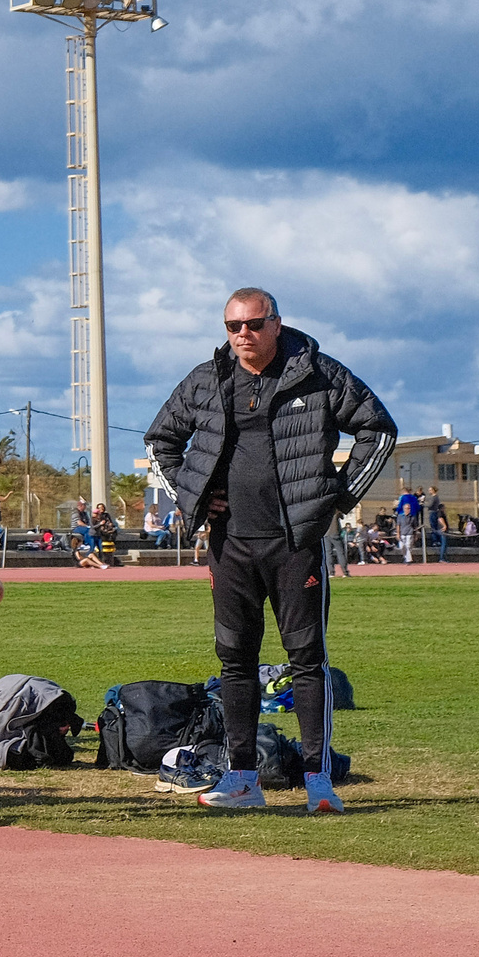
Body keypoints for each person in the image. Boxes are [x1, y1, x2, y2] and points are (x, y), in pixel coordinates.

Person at [145, 286, 395, 816]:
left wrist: (337, 498)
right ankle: (242, 779)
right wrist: (192, 498)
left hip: (296, 543)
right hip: (229, 544)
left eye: (254, 324)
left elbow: (379, 429)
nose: (243, 335)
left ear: (276, 323)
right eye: (233, 326)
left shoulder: (320, 373)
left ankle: (318, 781)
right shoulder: (207, 379)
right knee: (235, 661)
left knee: (308, 661)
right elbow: (159, 441)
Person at [426, 487, 448, 561]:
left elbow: (430, 505)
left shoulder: (434, 497)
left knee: (433, 527)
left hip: (432, 513)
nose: (429, 491)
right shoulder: (435, 498)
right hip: (433, 514)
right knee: (434, 528)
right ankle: (442, 557)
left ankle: (435, 540)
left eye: (430, 490)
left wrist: (423, 504)